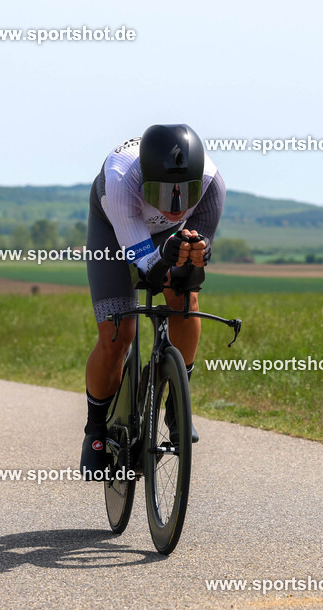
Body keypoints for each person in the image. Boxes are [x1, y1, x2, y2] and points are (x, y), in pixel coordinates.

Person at [81, 124, 225, 476]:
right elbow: (146, 265)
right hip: (115, 231)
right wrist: (165, 258)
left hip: (167, 239)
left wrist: (194, 257)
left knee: (186, 298)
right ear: (144, 182)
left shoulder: (212, 184)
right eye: (161, 195)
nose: (175, 207)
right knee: (118, 333)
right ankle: (95, 431)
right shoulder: (119, 180)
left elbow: (193, 266)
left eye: (184, 194)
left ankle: (178, 402)